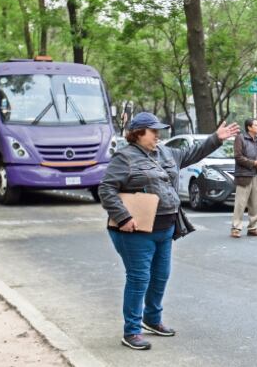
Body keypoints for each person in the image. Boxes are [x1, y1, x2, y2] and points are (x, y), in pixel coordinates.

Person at [100, 112, 240, 351]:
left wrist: (216, 138)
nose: (158, 135)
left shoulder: (165, 152)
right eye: (153, 131)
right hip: (136, 231)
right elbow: (106, 189)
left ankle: (152, 319)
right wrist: (123, 217)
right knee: (138, 279)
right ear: (138, 133)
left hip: (165, 228)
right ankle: (131, 331)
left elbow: (192, 153)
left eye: (158, 131)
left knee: (161, 276)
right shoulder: (125, 158)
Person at [231, 118, 257, 238]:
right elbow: (238, 156)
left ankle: (253, 227)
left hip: (256, 175)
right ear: (249, 127)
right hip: (244, 175)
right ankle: (236, 228)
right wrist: (254, 163)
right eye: (256, 125)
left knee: (255, 204)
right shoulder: (240, 138)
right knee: (240, 203)